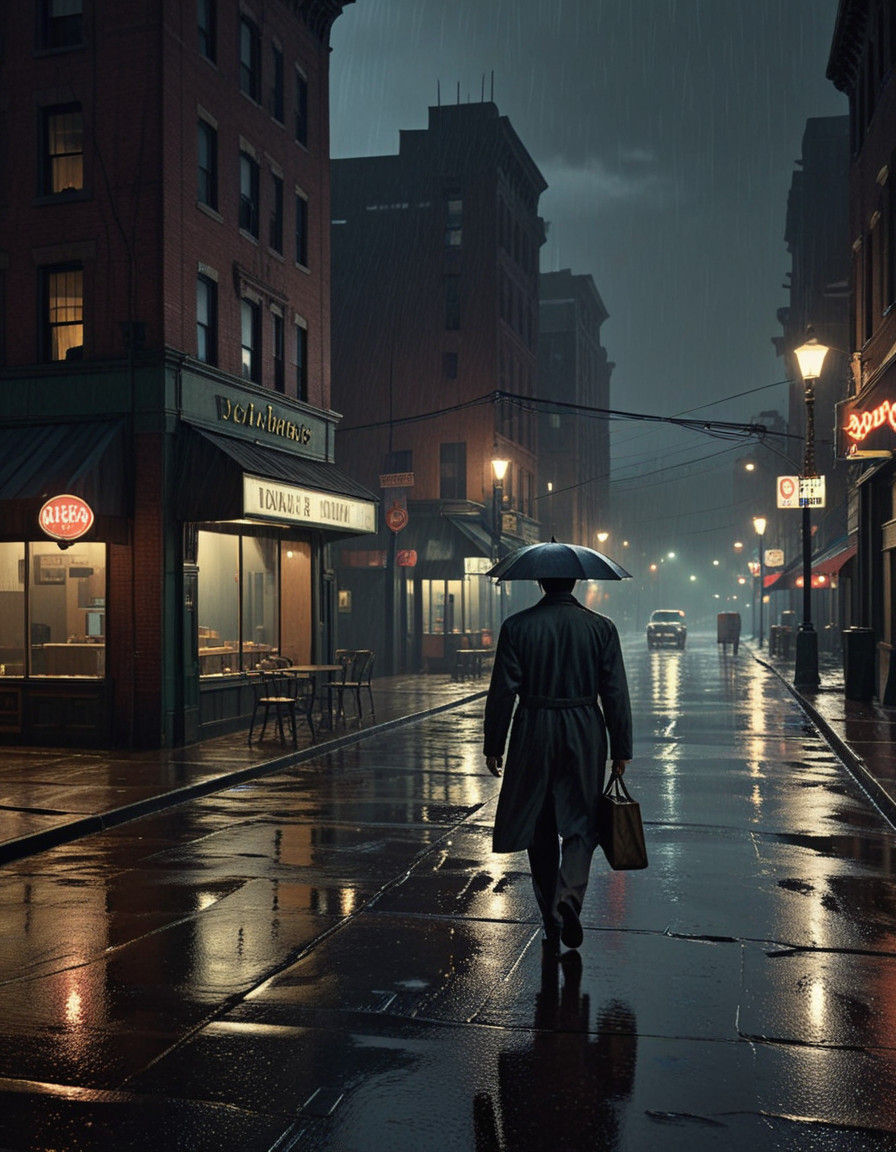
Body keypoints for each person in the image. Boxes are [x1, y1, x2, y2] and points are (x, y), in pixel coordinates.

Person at [483, 576, 632, 952]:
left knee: (540, 824)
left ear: (539, 581)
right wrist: (621, 748)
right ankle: (569, 898)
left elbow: (503, 689)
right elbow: (614, 690)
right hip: (583, 729)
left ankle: (550, 916)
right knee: (582, 822)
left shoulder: (516, 626)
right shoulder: (601, 627)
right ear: (576, 581)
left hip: (533, 727)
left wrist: (494, 742)